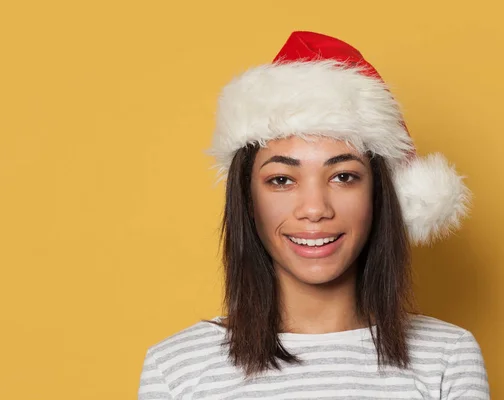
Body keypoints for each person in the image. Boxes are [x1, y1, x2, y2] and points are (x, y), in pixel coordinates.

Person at [137, 31, 490, 399]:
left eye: (343, 176)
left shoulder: (447, 357)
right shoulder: (176, 368)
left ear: (378, 194)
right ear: (247, 199)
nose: (315, 209)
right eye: (281, 179)